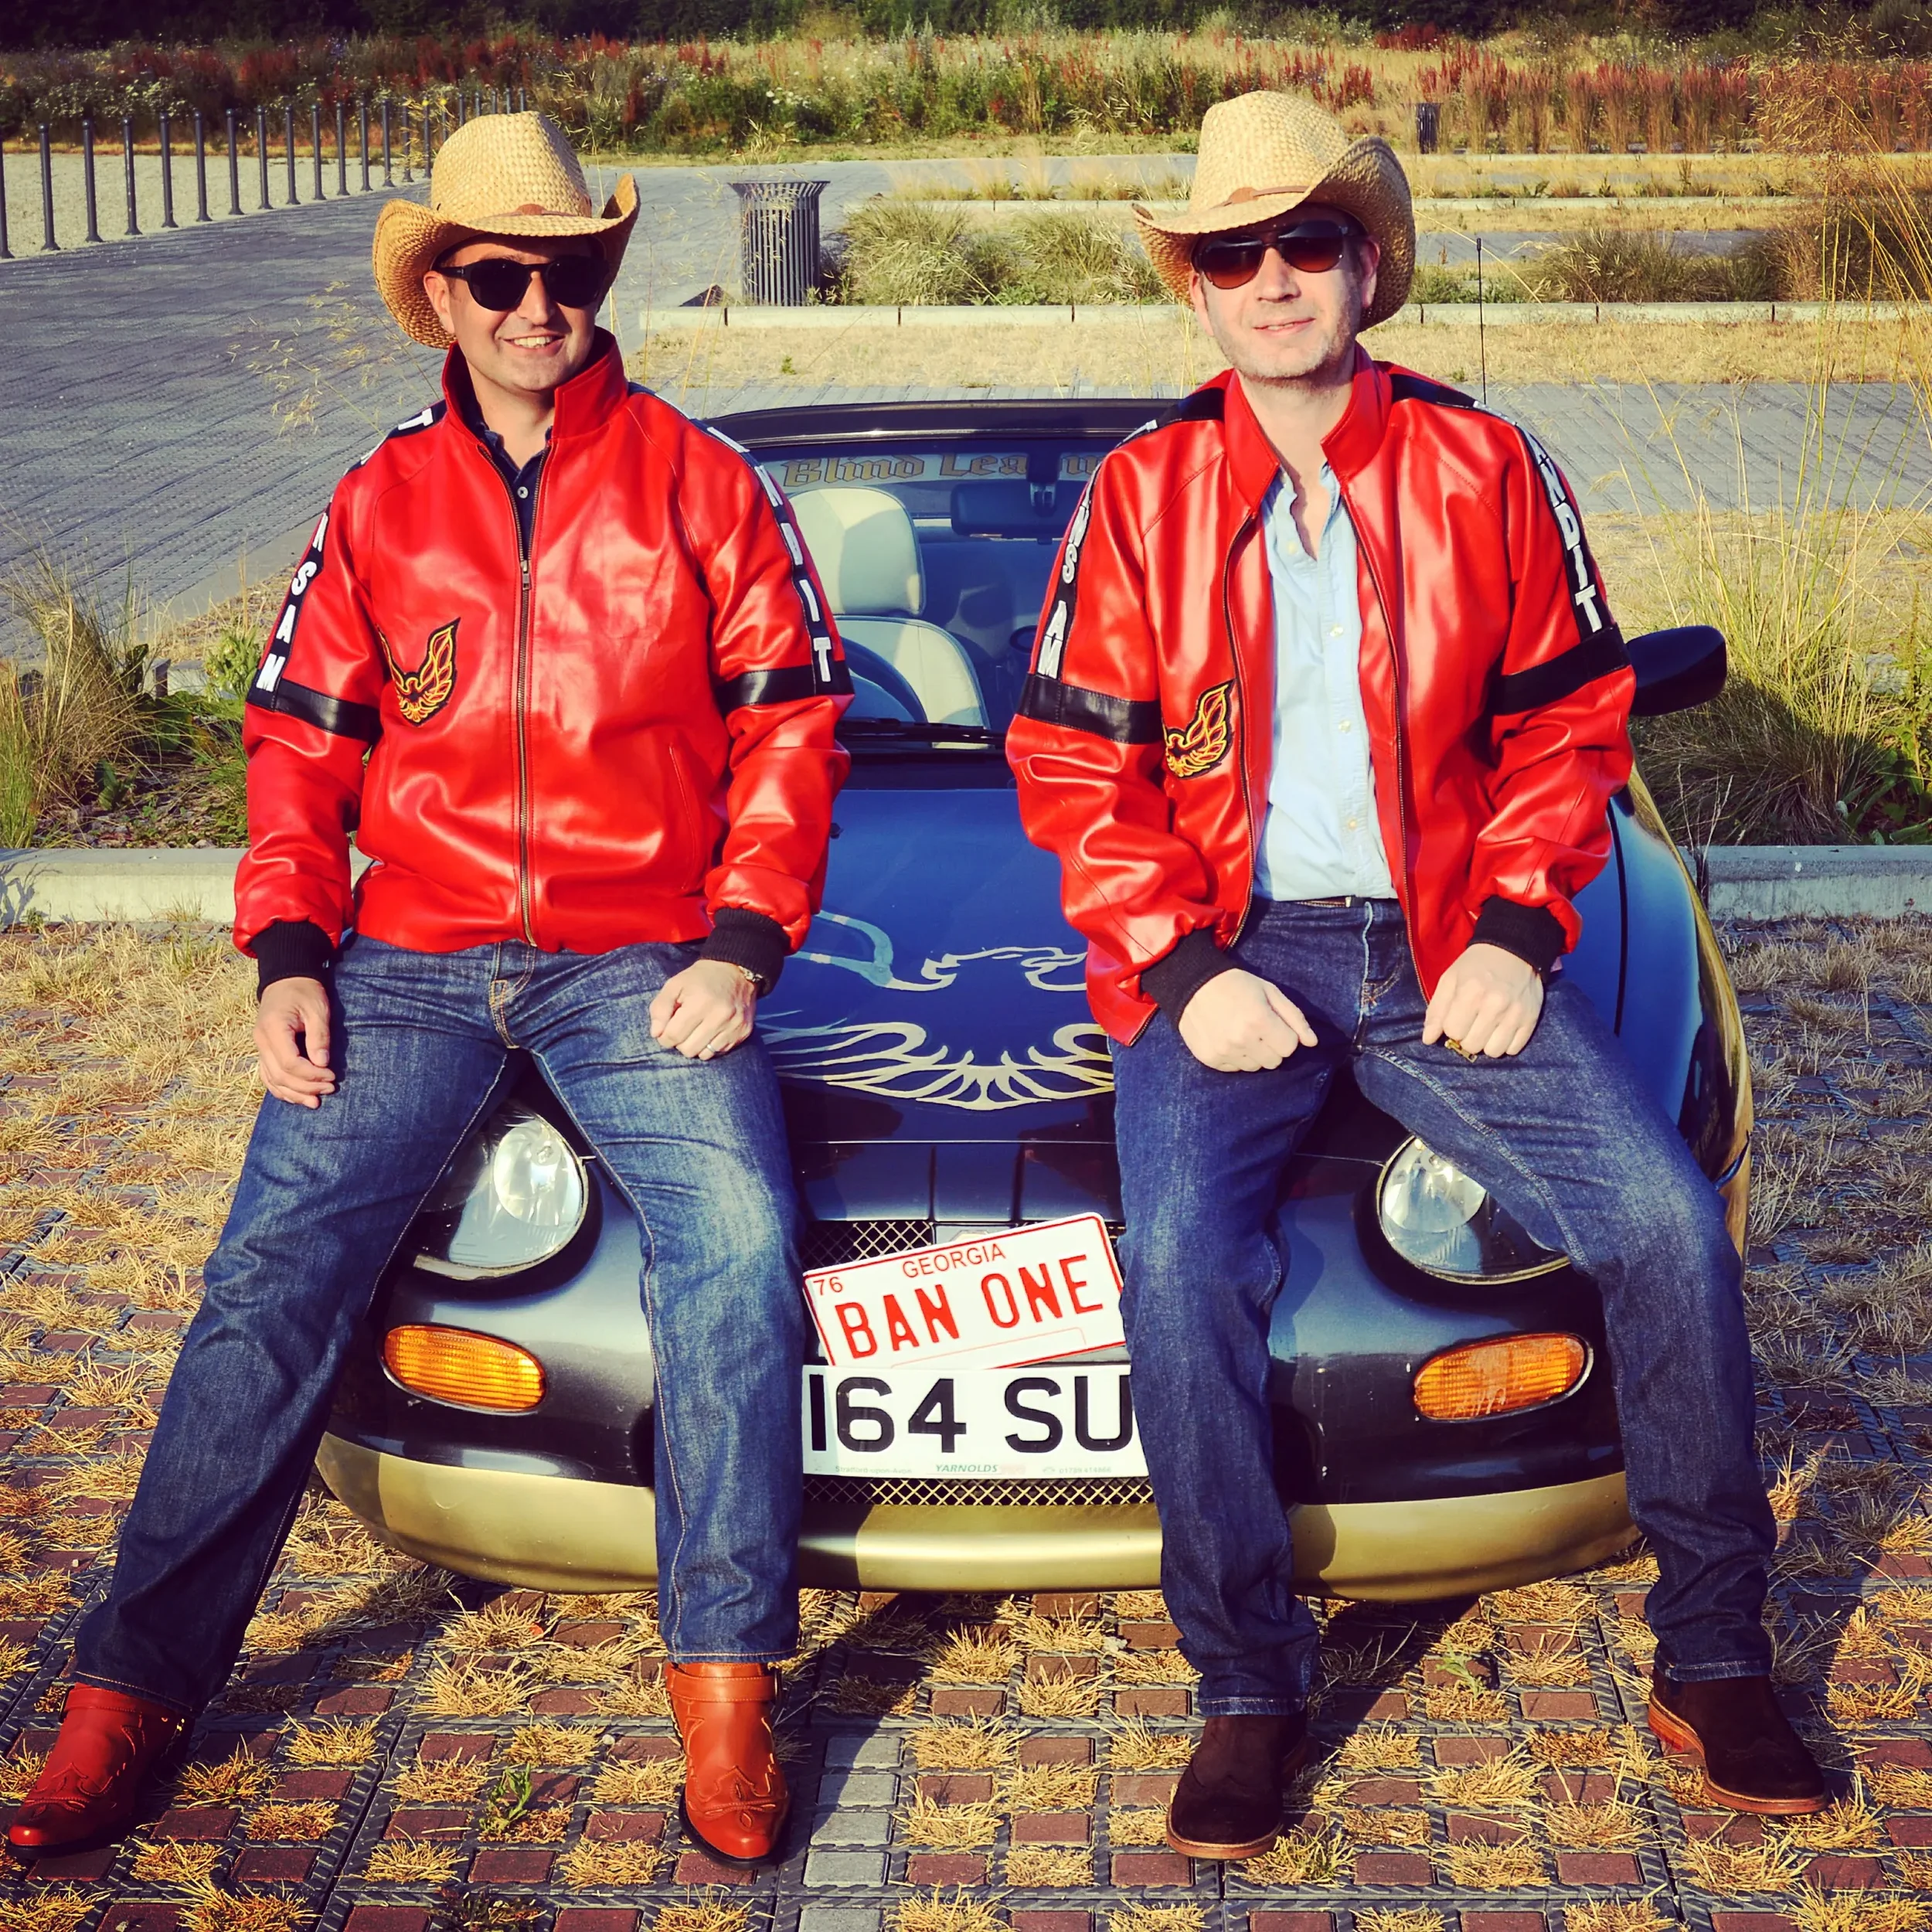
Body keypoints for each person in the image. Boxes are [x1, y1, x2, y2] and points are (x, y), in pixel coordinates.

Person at [8, 113, 849, 1869]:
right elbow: (298, 747)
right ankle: (128, 1690)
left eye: (566, 270)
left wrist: (743, 938)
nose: (537, 304)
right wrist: (289, 949)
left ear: (600, 280)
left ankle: (723, 1684)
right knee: (267, 1276)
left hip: (640, 955)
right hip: (409, 953)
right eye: (498, 274)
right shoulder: (378, 502)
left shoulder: (703, 483)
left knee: (736, 1247)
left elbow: (788, 723)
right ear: (443, 297)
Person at [1006, 90, 1824, 1859]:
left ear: (1363, 265)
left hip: (1445, 937)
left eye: (1304, 242)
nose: (1272, 278)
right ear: (1195, 285)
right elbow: (1072, 765)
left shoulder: (1485, 466)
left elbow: (1567, 724)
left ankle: (1711, 1651)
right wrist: (1180, 962)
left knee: (1665, 1227)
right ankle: (1245, 1680)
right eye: (1234, 251)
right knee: (1173, 1258)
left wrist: (1517, 929)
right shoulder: (1140, 496)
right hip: (1232, 948)